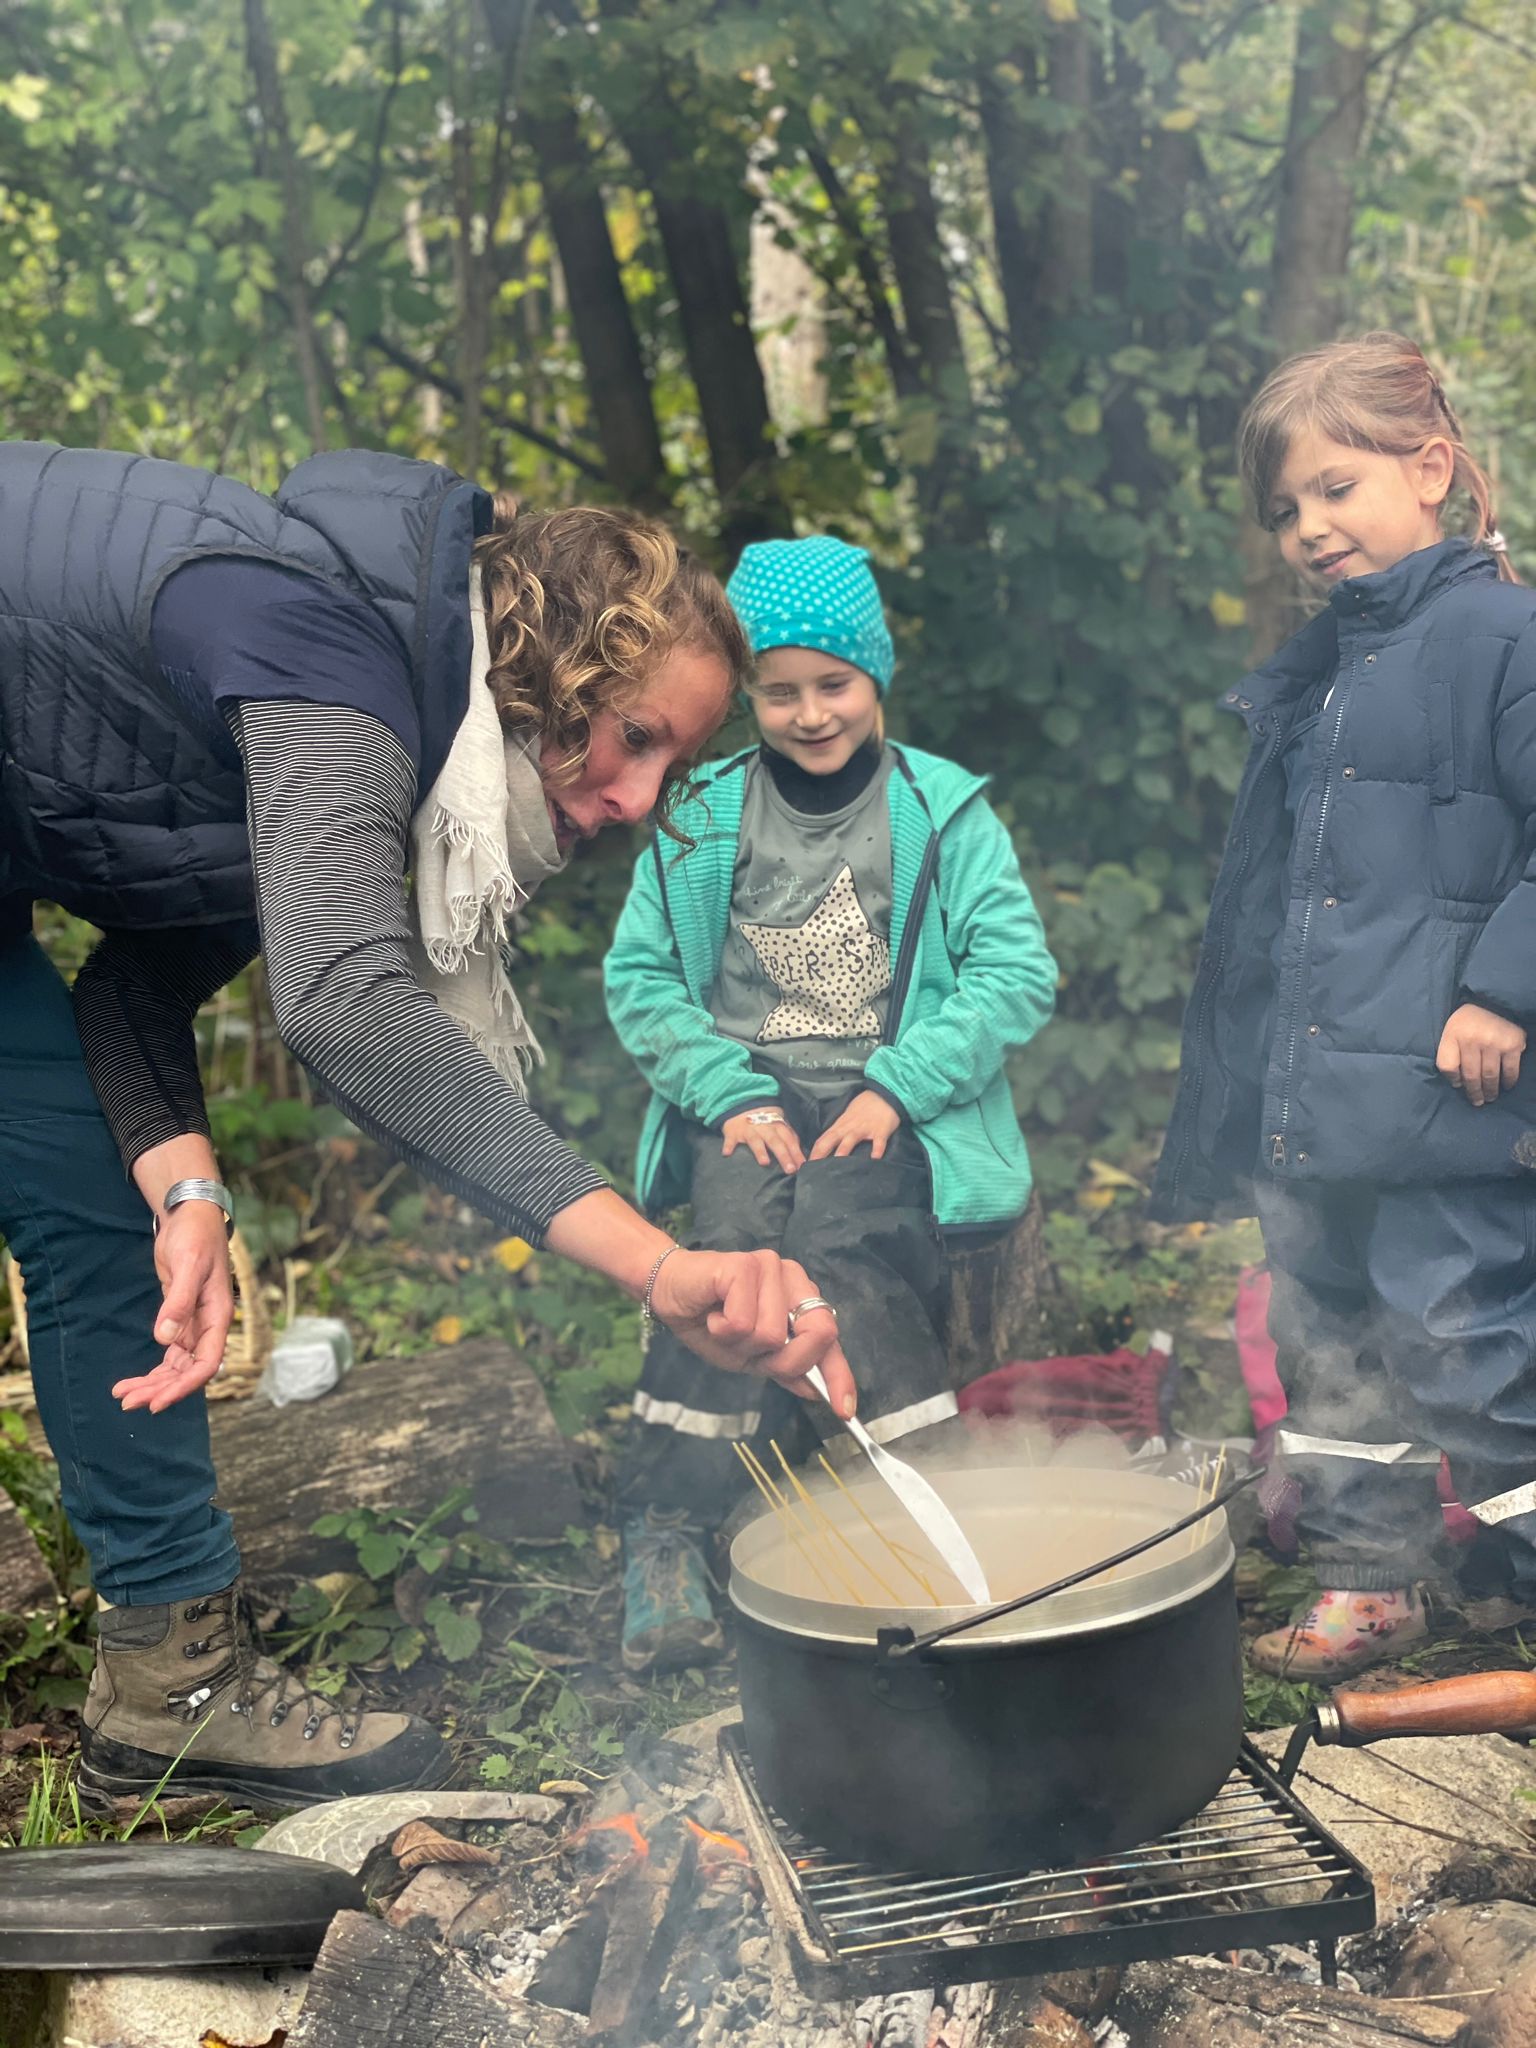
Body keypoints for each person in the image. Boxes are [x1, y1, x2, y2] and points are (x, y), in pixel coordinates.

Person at [0, 441, 854, 1810]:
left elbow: (132, 990)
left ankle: (170, 1689)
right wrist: (658, 1265)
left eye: (671, 764)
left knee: (91, 1196)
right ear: (550, 658)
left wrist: (188, 1196)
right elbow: (344, 1002)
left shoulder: (359, 719)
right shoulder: (327, 652)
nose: (636, 802)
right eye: (635, 736)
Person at [1151, 332, 1536, 1678]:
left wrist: (1504, 989)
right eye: (1285, 509)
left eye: (1335, 488)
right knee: (1325, 1326)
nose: (1308, 528)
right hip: (1314, 1093)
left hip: (1450, 1096)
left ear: (1430, 468)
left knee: (1463, 1337)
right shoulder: (1323, 665)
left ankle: (1523, 1574)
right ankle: (1377, 1573)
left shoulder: (1504, 635)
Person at [603, 536, 1057, 1672]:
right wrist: (727, 1091)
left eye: (835, 684)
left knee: (843, 1245)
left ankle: (920, 1508)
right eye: (779, 689)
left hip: (883, 1098)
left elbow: (1017, 974)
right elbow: (641, 978)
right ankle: (667, 1525)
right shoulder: (701, 810)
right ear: (741, 692)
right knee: (729, 1258)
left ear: (878, 678)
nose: (811, 714)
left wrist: (898, 1085)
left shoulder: (942, 811)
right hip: (747, 1096)